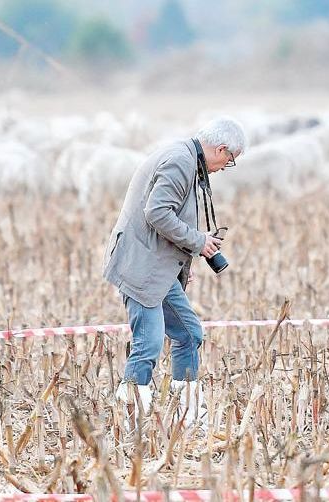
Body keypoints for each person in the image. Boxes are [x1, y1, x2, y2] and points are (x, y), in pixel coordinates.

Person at [103, 117, 246, 429]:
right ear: (221, 149)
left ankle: (189, 413)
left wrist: (180, 263)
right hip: (140, 267)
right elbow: (156, 212)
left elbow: (169, 218)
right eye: (230, 160)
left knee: (189, 333)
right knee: (149, 344)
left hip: (158, 266)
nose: (225, 167)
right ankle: (129, 420)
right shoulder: (181, 162)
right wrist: (199, 243)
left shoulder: (186, 158)